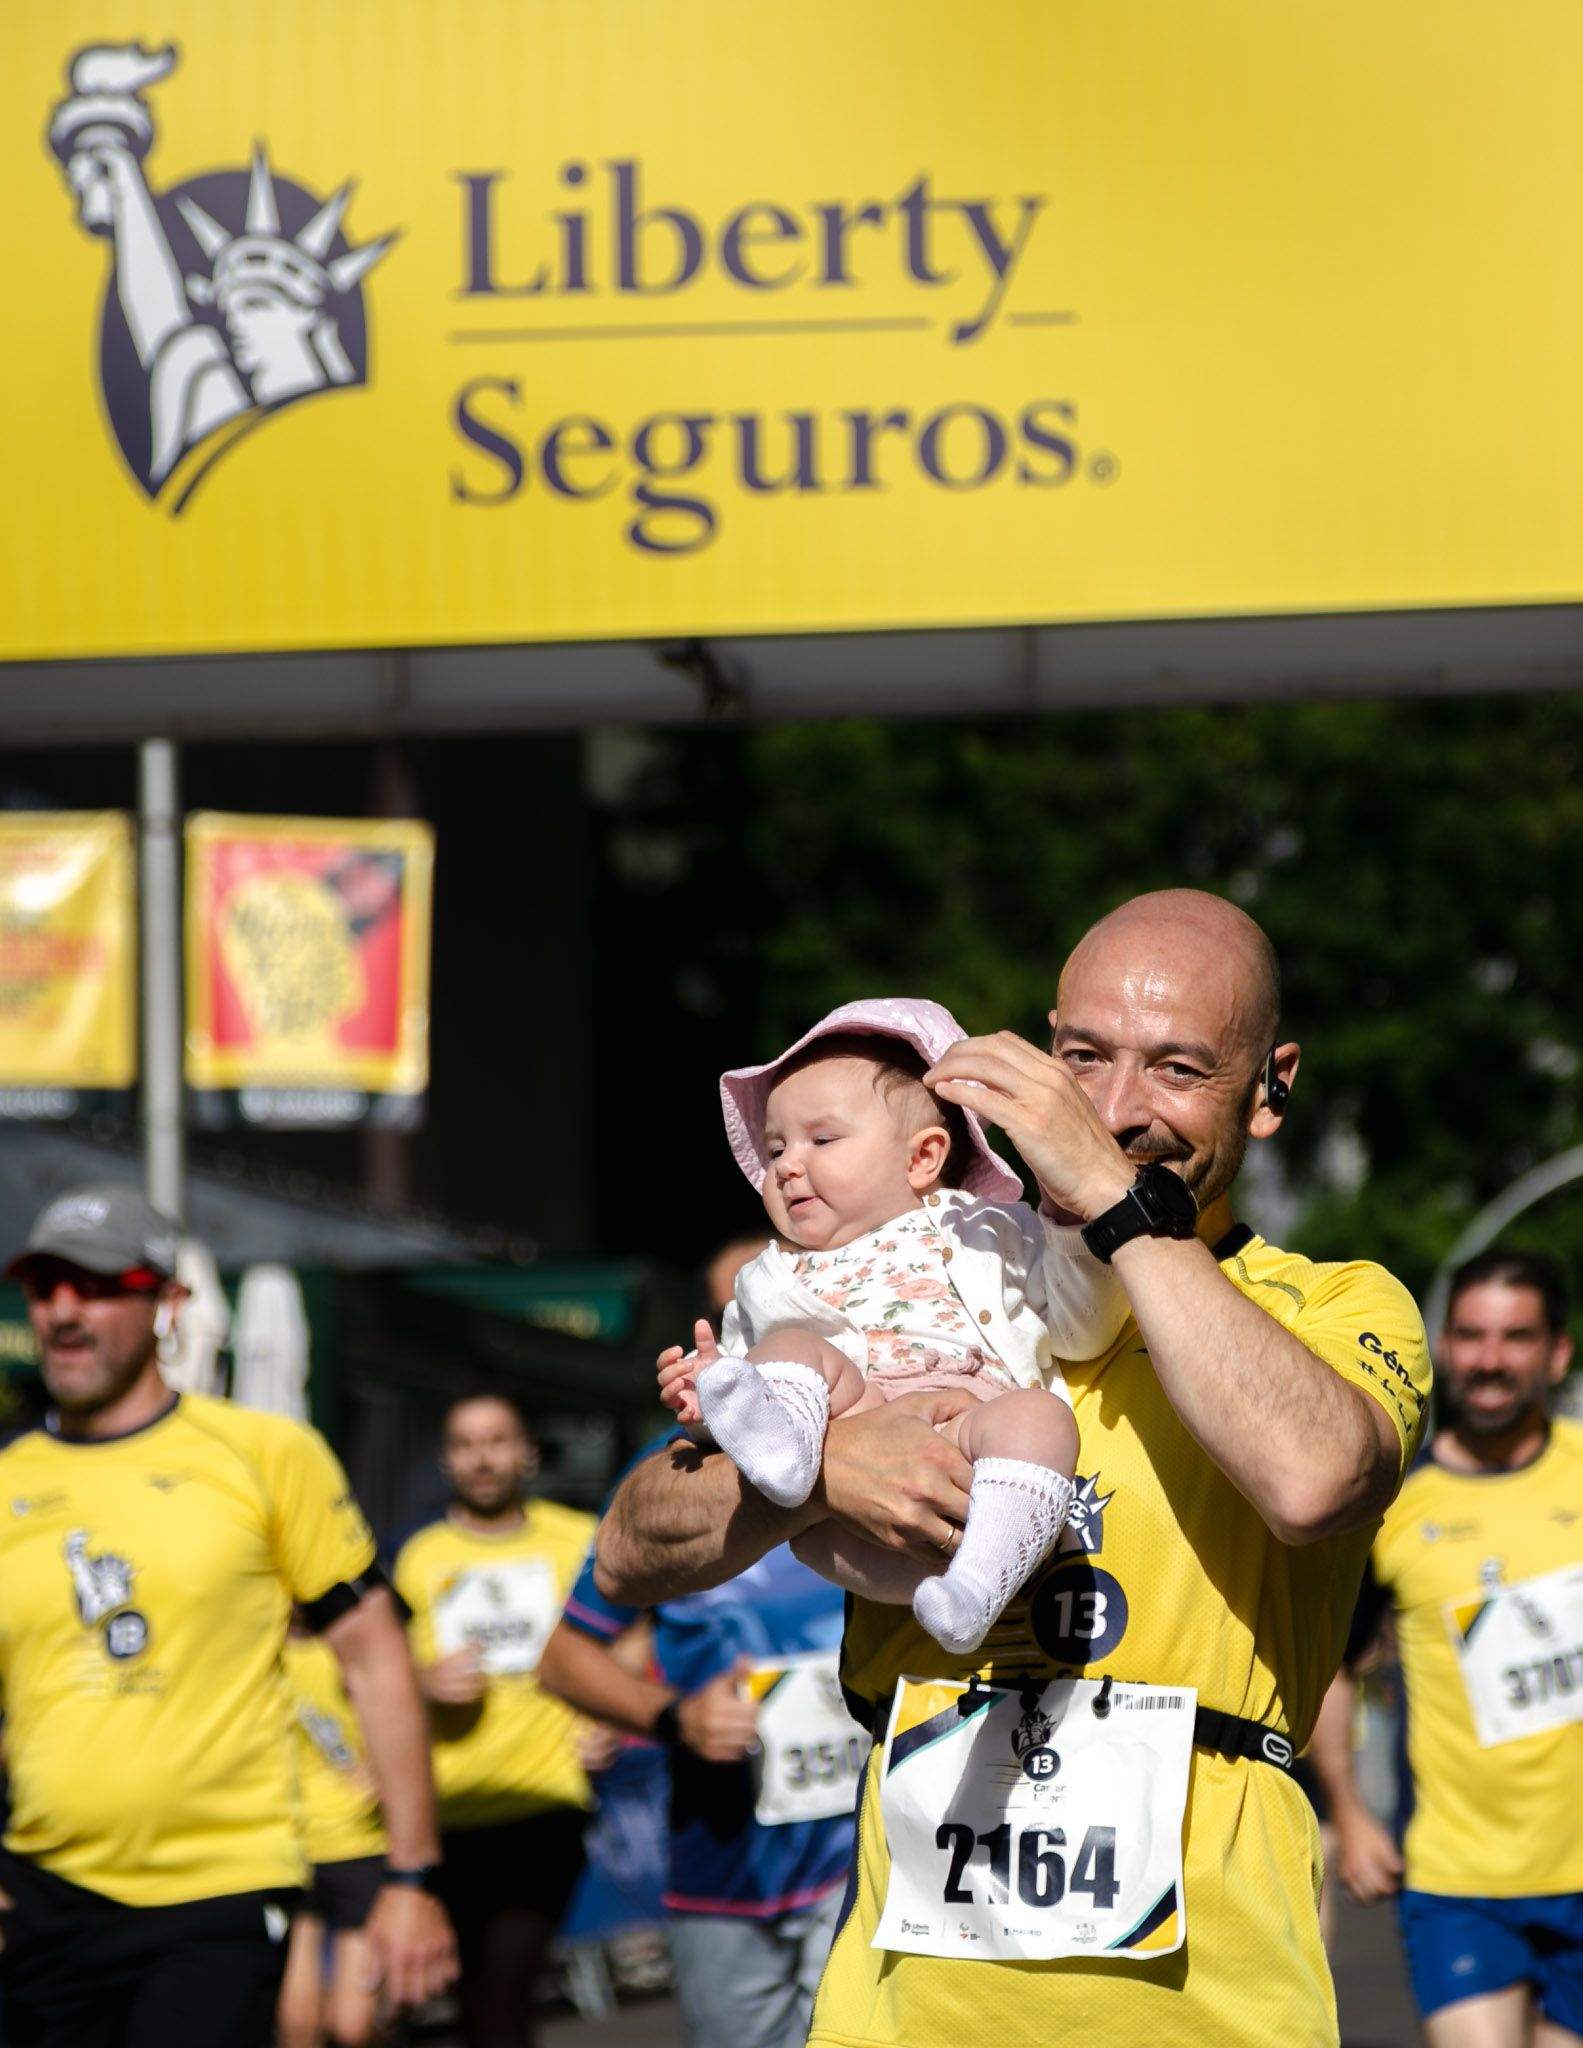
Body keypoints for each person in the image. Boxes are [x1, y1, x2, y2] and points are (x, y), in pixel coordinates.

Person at [595, 888, 1433, 2048]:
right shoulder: (923, 1271)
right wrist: (828, 1463)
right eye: (1082, 1055)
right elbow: (630, 1546)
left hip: (1206, 2008)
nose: (1112, 1107)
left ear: (1270, 1085)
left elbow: (1313, 1478)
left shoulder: (1332, 1302)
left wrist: (1115, 1206)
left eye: (1176, 1067)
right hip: (904, 2004)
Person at [0, 1184, 456, 2048]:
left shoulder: (262, 1454)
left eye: (96, 1285)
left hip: (223, 1888)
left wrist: (410, 1876)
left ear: (167, 1304)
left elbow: (373, 1656)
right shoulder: (7, 1478)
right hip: (42, 1897)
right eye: (43, 1285)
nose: (62, 1311)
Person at [659, 998, 1127, 1654]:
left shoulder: (990, 1231)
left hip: (971, 1461)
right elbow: (745, 1388)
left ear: (922, 1157)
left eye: (821, 1140)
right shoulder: (770, 1277)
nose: (787, 1164)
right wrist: (706, 1400)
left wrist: (1075, 1224)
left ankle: (978, 1585)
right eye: (774, 1148)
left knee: (1042, 1421)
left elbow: (1083, 1327)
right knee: (789, 1349)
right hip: (846, 1505)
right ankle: (790, 1462)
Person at [539, 1235, 861, 2048]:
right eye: (739, 1311)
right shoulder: (669, 1476)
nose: (761, 1331)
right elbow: (565, 1655)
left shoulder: (879, 1448)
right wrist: (675, 1717)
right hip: (725, 1871)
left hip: (864, 1862)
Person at [1309, 1250, 1583, 2048]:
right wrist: (1351, 1815)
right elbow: (1331, 1664)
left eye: (1514, 1337)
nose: (1488, 1360)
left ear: (1556, 1352)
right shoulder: (1392, 1501)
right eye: (1468, 1336)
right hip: (1458, 1878)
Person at [391, 1393, 597, 2048]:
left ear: (527, 1452)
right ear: (447, 1460)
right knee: (468, 1993)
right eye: (465, 1444)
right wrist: (423, 1682)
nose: (482, 1458)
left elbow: (627, 1641)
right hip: (447, 1808)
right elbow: (378, 1675)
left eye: (497, 1440)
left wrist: (612, 1721)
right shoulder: (419, 1555)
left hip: (544, 1799)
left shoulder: (574, 1538)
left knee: (505, 1988)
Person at [276, 1621, 390, 2048]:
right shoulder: (249, 1652)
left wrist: (384, 1769)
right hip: (291, 1849)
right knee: (296, 2026)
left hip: (359, 1843)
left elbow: (403, 1716)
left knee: (352, 2027)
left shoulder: (354, 1643)